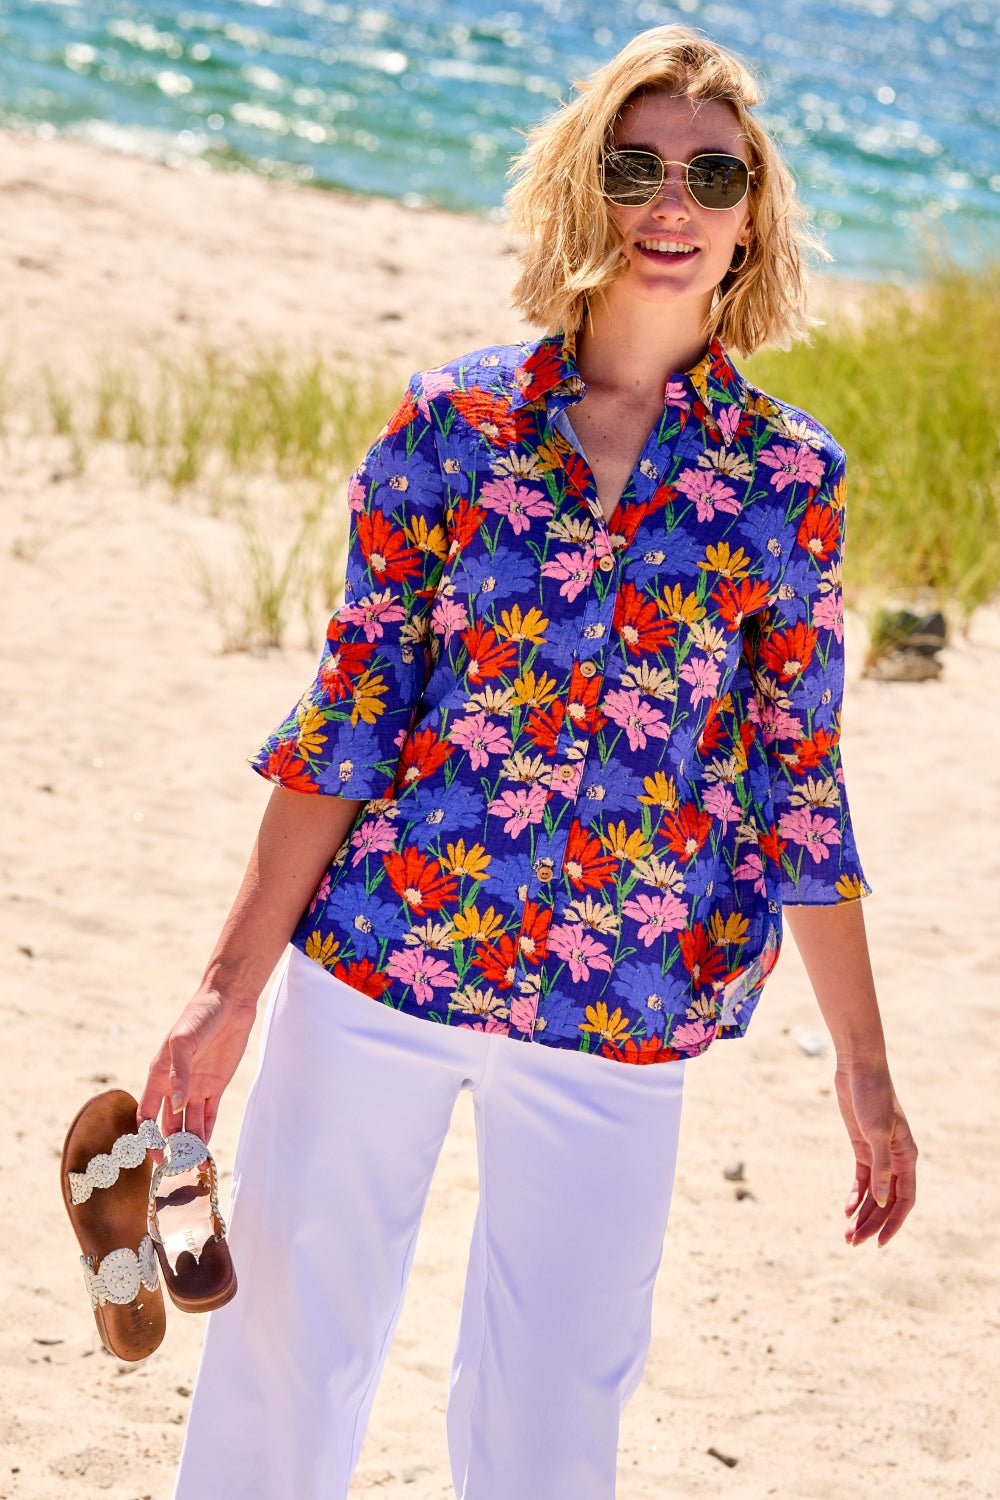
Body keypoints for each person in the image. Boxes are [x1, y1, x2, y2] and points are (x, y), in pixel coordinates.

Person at [141, 23, 917, 1500]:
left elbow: (794, 784)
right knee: (286, 1360)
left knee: (554, 1419)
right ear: (589, 187)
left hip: (620, 1010)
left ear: (754, 214)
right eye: (638, 166)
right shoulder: (454, 425)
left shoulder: (787, 481)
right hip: (383, 963)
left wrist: (864, 1074)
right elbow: (346, 724)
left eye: (713, 172)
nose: (673, 200)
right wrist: (224, 991)